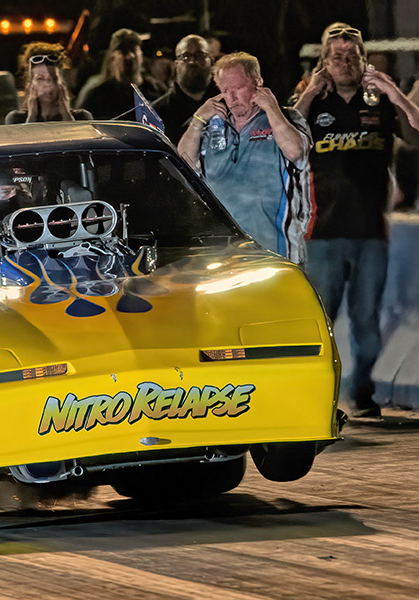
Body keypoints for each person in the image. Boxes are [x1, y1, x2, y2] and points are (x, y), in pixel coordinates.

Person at [293, 23, 419, 418]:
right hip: (322, 232)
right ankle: (318, 399)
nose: (345, 62)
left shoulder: (380, 103)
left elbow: (416, 131)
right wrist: (311, 92)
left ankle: (362, 396)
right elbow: (285, 140)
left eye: (352, 56)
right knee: (320, 322)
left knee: (366, 321)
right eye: (336, 57)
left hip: (371, 233)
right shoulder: (310, 102)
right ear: (323, 64)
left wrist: (395, 93)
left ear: (364, 60)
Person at [177, 51, 312, 263]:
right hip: (222, 253)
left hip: (276, 250)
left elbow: (296, 151)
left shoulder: (287, 118)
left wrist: (271, 107)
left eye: (238, 88)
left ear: (258, 82)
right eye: (225, 90)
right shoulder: (212, 126)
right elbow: (182, 165)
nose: (231, 98)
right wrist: (197, 120)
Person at [76, 28, 166, 120]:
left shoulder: (156, 90)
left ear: (141, 54)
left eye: (133, 49)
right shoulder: (97, 95)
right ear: (112, 57)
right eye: (124, 51)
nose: (130, 56)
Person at [152, 35, 219, 144]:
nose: (192, 62)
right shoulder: (158, 114)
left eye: (200, 55)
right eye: (185, 57)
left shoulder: (229, 103)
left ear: (211, 61)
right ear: (176, 64)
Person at [5, 42, 92, 124]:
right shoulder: (16, 119)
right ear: (30, 84)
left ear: (61, 82)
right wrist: (32, 117)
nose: (47, 84)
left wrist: (66, 115)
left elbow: (78, 139)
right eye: (40, 79)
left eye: (53, 78)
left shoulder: (81, 117)